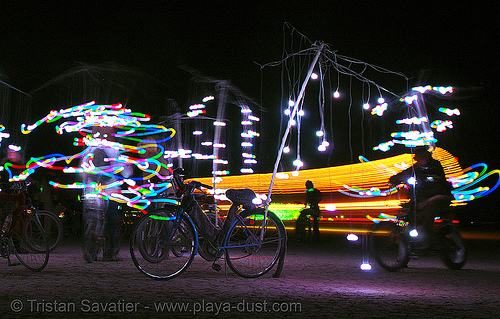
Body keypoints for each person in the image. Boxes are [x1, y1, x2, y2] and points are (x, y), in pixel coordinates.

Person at [82, 126, 132, 262]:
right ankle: (110, 252)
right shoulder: (111, 149)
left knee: (93, 216)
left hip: (93, 188)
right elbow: (126, 172)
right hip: (110, 188)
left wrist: (86, 184)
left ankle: (92, 246)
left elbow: (84, 168)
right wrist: (127, 169)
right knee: (112, 219)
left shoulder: (90, 150)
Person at [389, 146, 454, 248]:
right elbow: (404, 174)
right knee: (410, 210)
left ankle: (426, 238)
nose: (418, 158)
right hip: (426, 199)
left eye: (420, 156)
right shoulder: (417, 167)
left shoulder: (434, 166)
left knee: (428, 206)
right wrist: (394, 179)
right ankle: (408, 242)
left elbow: (438, 183)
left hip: (440, 197)